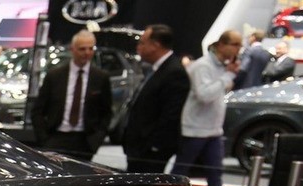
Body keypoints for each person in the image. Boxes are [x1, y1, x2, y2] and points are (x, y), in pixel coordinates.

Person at [174, 30, 242, 186]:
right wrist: (228, 75)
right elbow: (204, 95)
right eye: (235, 44)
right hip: (195, 129)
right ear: (221, 44)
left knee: (215, 174)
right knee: (180, 173)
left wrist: (227, 75)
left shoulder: (221, 67)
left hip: (213, 130)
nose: (238, 49)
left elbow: (218, 91)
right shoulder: (202, 66)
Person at [32, 30, 112, 161]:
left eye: (90, 49)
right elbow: (38, 110)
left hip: (85, 141)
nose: (87, 53)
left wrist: (96, 140)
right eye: (82, 49)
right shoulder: (54, 76)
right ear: (72, 49)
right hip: (56, 137)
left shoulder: (101, 77)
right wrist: (44, 139)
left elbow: (106, 112)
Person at [122, 24, 190, 173]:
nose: (138, 47)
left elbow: (171, 115)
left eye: (142, 43)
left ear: (155, 45)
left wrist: (154, 146)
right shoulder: (156, 68)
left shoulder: (174, 72)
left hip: (150, 152)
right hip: (139, 147)